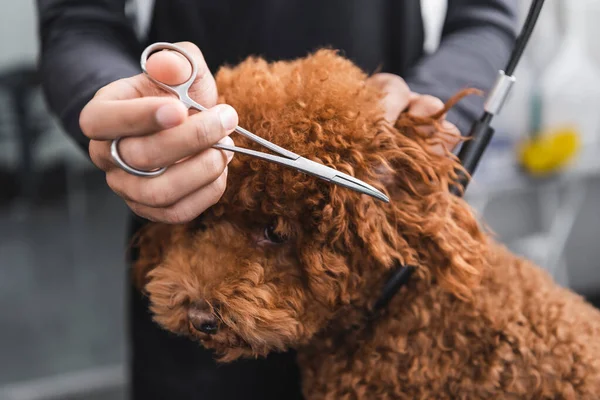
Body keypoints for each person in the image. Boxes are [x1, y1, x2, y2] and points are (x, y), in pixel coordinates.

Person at [35, 1, 519, 398]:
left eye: (273, 232)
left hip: (383, 262)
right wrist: (131, 119)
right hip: (181, 188)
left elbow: (484, 17)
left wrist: (418, 118)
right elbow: (78, 21)